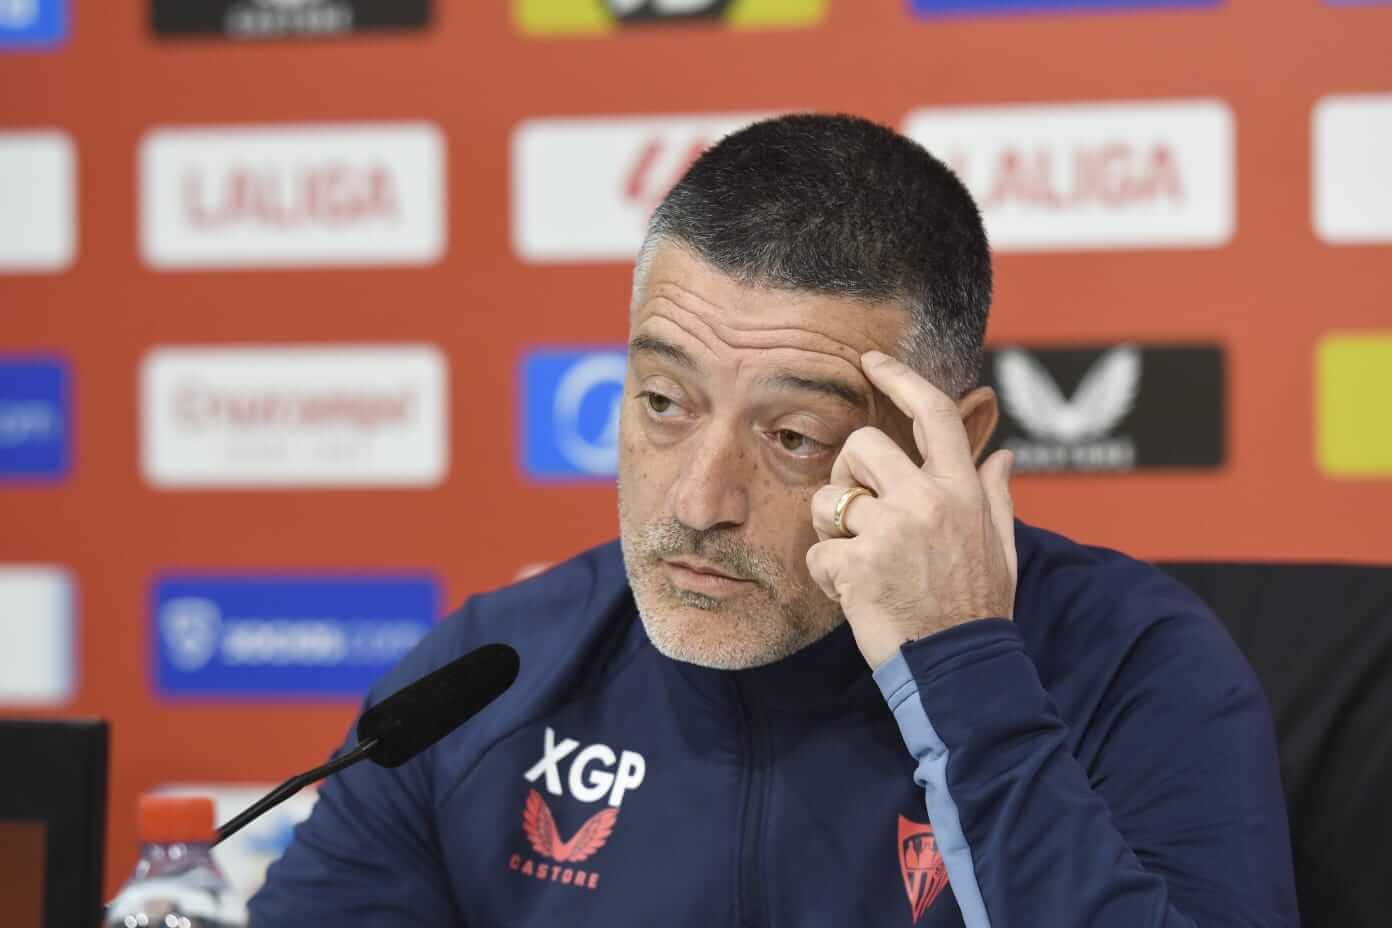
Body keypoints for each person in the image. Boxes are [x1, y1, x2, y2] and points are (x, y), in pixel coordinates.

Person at [249, 114, 1297, 926]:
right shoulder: (489, 678)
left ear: (950, 442)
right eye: (664, 404)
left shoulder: (1133, 666)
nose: (700, 502)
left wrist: (959, 667)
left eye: (792, 435)